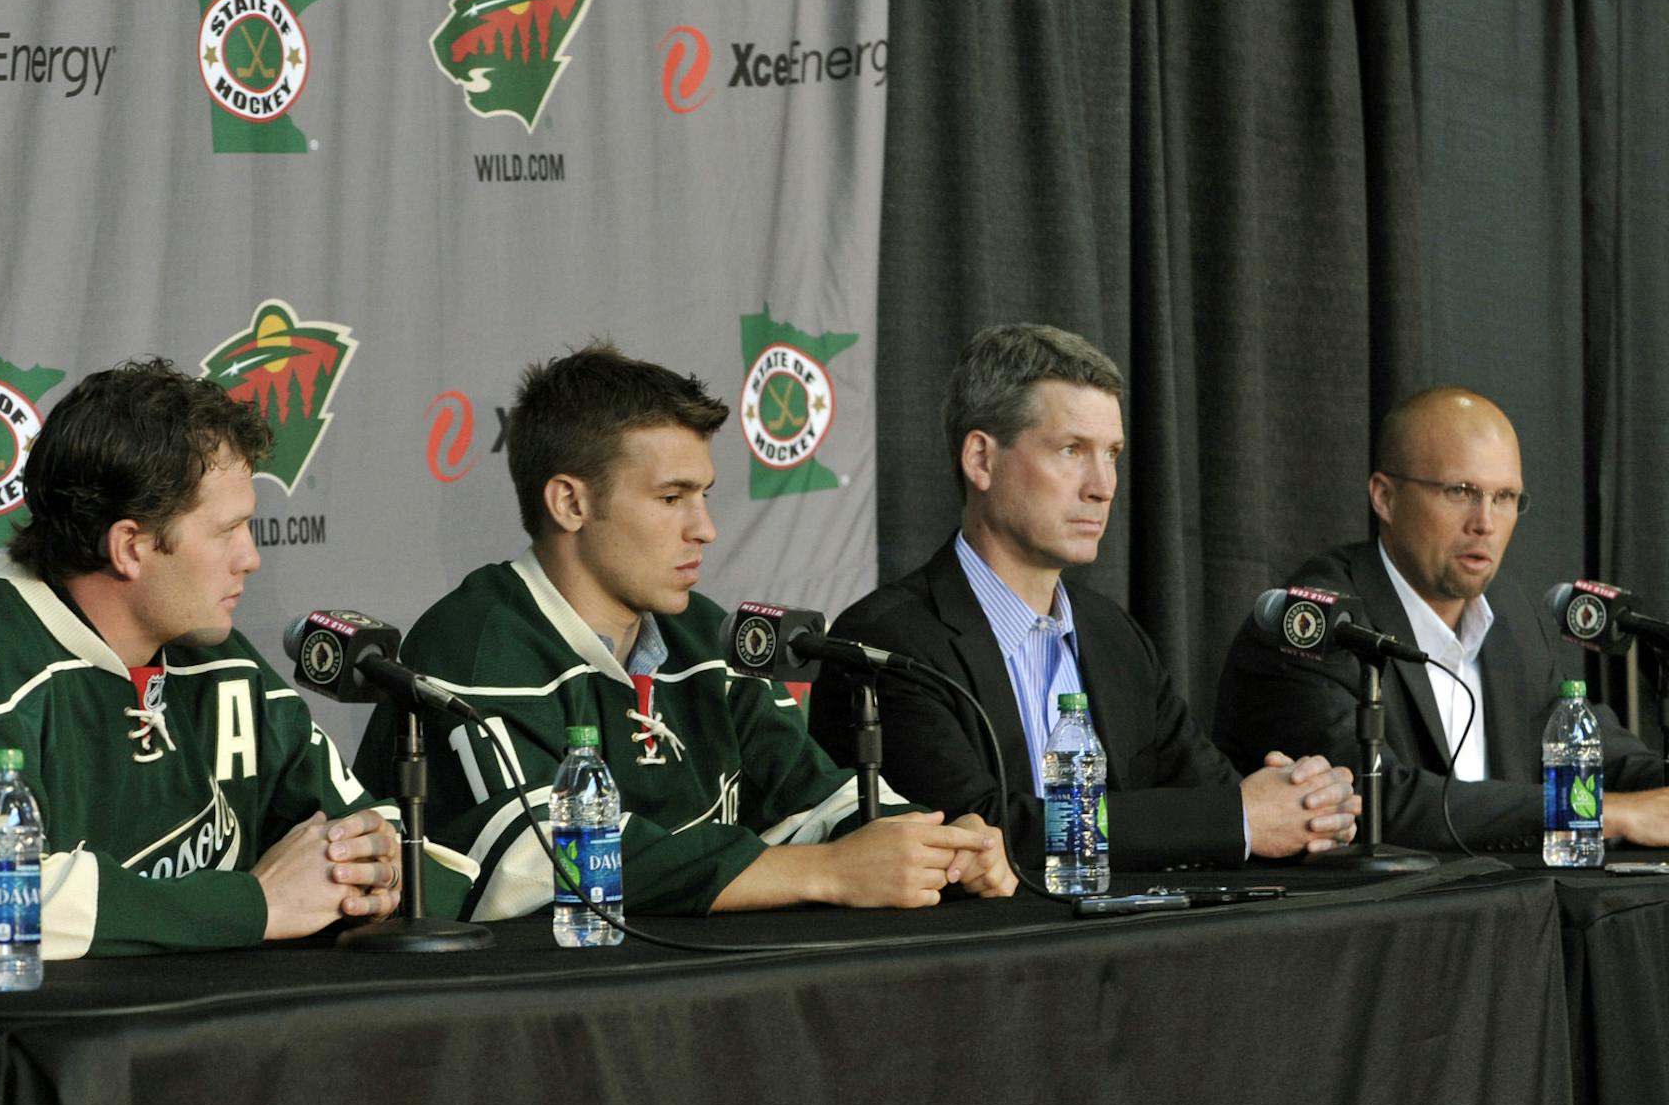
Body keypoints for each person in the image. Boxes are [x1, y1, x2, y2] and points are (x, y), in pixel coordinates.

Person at [355, 341, 1013, 922]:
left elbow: (814, 797)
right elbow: (542, 860)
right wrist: (830, 871)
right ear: (570, 503)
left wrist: (938, 847)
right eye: (672, 499)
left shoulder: (703, 634)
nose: (705, 528)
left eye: (704, 495)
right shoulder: (472, 643)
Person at [0, 357, 421, 968]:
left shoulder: (215, 656)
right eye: (228, 530)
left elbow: (362, 826)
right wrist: (252, 904)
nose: (251, 558)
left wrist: (378, 865)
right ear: (130, 547)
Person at [812, 323, 1359, 871]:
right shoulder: (886, 642)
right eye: (1072, 450)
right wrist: (1237, 819)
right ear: (981, 459)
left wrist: (1303, 806)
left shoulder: (1113, 635)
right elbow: (979, 830)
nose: (1103, 485)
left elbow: (1210, 788)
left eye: (1113, 454)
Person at [1213, 385, 1668, 851]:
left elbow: (1598, 755)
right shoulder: (1317, 625)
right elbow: (1378, 801)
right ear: (1385, 497)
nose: (1485, 523)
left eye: (1506, 497)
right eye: (1461, 491)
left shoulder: (1512, 617)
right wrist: (1607, 813)